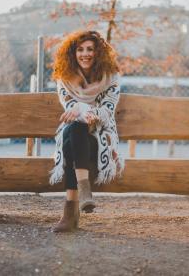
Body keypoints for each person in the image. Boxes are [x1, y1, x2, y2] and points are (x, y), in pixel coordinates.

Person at [50, 30, 124, 232]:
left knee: (75, 133)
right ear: (73, 53)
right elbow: (70, 109)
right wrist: (83, 111)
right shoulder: (64, 78)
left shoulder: (111, 78)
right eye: (80, 50)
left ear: (98, 52)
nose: (85, 54)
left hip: (99, 139)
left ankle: (69, 211)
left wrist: (86, 111)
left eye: (90, 49)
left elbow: (107, 111)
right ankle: (83, 193)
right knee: (75, 129)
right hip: (75, 137)